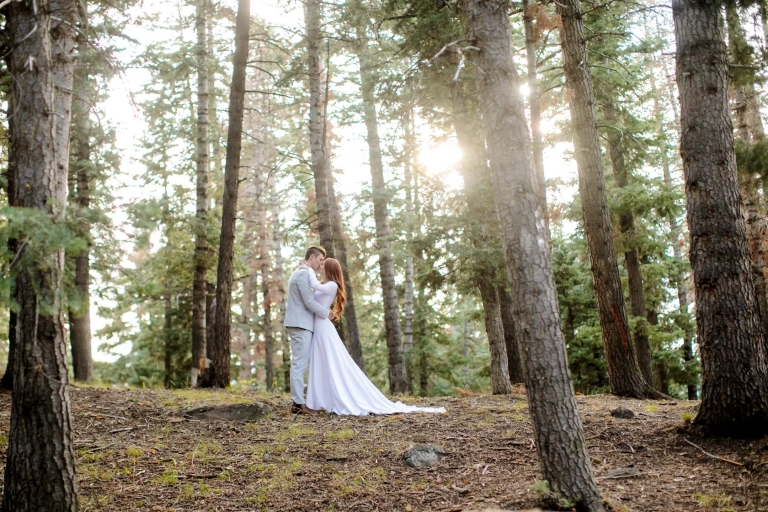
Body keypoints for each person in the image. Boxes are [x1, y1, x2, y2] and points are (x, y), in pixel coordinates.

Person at [303, 257, 445, 415]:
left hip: (323, 327)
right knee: (320, 362)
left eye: (323, 265)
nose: (319, 266)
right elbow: (313, 293)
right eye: (319, 264)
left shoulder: (332, 285)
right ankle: (317, 401)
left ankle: (318, 402)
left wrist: (307, 268)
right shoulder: (325, 285)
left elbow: (314, 284)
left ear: (329, 269)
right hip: (319, 326)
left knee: (328, 362)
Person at [284, 246, 334, 414]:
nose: (321, 264)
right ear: (312, 257)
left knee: (300, 362)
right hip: (300, 324)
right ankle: (298, 403)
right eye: (320, 260)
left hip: (300, 323)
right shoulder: (304, 273)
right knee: (299, 363)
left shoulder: (303, 272)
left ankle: (298, 401)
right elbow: (309, 302)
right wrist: (327, 313)